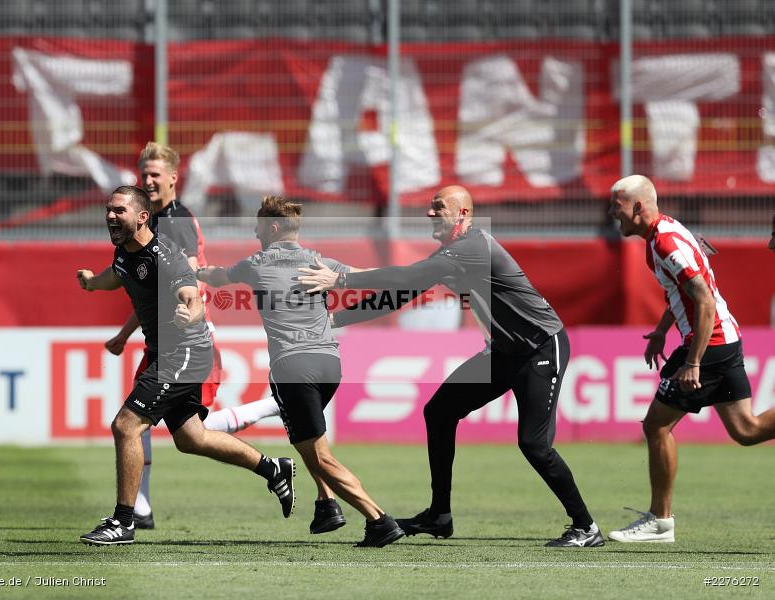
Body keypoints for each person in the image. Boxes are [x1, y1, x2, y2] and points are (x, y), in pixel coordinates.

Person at [299, 185, 604, 548]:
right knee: (440, 412)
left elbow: (405, 277)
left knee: (534, 445)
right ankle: (439, 516)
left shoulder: (473, 247)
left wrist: (342, 279)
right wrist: (334, 321)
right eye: (429, 207)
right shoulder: (452, 254)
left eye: (438, 208)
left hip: (540, 348)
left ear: (463, 214)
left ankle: (586, 526)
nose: (430, 214)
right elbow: (398, 295)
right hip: (505, 353)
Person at [76, 186, 295, 545]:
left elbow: (191, 294)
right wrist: (93, 284)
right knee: (192, 439)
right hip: (169, 354)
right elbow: (118, 275)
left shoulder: (166, 256)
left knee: (126, 425)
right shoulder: (124, 252)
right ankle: (272, 468)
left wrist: (188, 311)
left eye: (119, 210)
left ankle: (124, 522)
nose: (111, 216)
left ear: (142, 217)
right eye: (109, 210)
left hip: (185, 353)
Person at [197, 195, 405, 547]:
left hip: (293, 366)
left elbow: (218, 278)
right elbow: (376, 280)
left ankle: (378, 520)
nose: (254, 231)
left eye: (260, 225)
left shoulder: (257, 262)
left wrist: (195, 271)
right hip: (330, 364)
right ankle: (326, 504)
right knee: (308, 439)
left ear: (274, 228)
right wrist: (339, 285)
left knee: (320, 456)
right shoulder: (318, 261)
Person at [605, 175, 775, 543]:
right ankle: (660, 519)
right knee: (747, 430)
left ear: (638, 207)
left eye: (616, 205)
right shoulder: (662, 234)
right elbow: (684, 291)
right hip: (719, 337)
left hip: (709, 343)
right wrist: (664, 329)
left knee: (656, 426)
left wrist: (693, 360)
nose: (610, 212)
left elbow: (704, 300)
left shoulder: (664, 242)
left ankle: (660, 520)